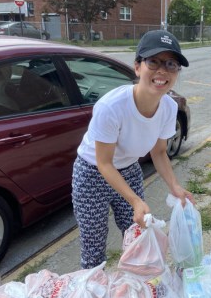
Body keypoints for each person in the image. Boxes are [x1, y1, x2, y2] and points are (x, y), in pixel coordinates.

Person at [72, 29, 195, 269]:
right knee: (93, 246)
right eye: (154, 62)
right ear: (138, 67)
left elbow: (159, 152)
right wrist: (135, 199)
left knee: (137, 234)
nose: (162, 71)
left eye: (171, 64)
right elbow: (104, 163)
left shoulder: (169, 107)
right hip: (91, 173)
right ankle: (92, 297)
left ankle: (133, 290)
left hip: (128, 169)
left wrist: (175, 186)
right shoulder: (112, 106)